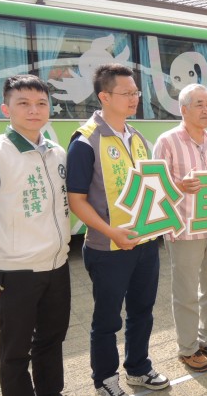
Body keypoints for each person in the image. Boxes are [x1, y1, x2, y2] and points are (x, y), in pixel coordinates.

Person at [67, 64, 169, 395]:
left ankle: (138, 368)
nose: (134, 98)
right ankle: (105, 379)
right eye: (127, 93)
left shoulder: (137, 137)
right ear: (104, 96)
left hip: (144, 243)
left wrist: (178, 187)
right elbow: (77, 201)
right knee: (107, 320)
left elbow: (148, 187)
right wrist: (112, 233)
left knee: (142, 311)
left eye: (137, 93)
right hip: (107, 248)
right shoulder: (85, 141)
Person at [0, 74, 71, 395]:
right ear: (5, 109)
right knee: (14, 353)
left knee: (51, 342)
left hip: (57, 267)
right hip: (14, 274)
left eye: (41, 103)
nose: (34, 110)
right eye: (23, 103)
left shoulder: (57, 153)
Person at [153, 83, 207, 372]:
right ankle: (187, 348)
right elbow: (155, 187)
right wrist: (178, 186)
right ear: (183, 109)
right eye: (199, 103)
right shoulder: (167, 141)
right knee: (186, 291)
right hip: (183, 228)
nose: (206, 109)